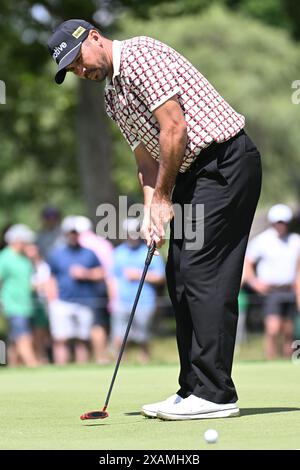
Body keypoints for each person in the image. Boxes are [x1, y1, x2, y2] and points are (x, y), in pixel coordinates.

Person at [47, 20, 262, 420]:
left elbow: (174, 129)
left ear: (94, 36)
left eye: (78, 60)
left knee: (202, 273)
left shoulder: (142, 55)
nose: (81, 71)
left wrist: (164, 197)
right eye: (72, 69)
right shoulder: (114, 95)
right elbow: (146, 160)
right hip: (192, 176)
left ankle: (216, 394)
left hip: (226, 164)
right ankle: (193, 389)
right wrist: (152, 212)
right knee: (179, 273)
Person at [244, 204, 300, 360]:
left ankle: (288, 362)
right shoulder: (263, 240)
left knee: (289, 331)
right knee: (273, 329)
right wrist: (254, 282)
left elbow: (298, 268)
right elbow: (247, 262)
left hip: (290, 290)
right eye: (278, 222)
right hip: (271, 291)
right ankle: (271, 360)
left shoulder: (295, 241)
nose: (280, 225)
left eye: (283, 222)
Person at [47, 216, 105, 364]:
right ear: (65, 234)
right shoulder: (57, 253)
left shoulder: (89, 253)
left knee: (82, 339)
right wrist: (51, 299)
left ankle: (81, 369)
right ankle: (61, 370)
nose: (72, 236)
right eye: (69, 233)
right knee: (61, 339)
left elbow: (101, 273)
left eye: (75, 233)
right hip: (62, 301)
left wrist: (86, 274)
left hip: (85, 301)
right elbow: (51, 277)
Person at [112, 218, 165, 363]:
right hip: (121, 302)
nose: (132, 236)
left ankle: (145, 363)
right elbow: (112, 279)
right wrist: (112, 300)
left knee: (143, 338)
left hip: (145, 302)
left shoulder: (150, 251)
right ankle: (122, 365)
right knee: (120, 339)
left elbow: (161, 277)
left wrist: (139, 275)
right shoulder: (117, 253)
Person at [0, 224, 39, 367]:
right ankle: (33, 365)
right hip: (12, 305)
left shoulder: (25, 260)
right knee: (24, 338)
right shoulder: (4, 258)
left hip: (26, 305)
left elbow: (27, 282)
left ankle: (13, 367)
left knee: (15, 342)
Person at [76, 215, 112, 364]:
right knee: (100, 324)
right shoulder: (102, 242)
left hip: (89, 288)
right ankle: (100, 356)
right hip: (102, 287)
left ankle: (94, 358)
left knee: (93, 325)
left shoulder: (82, 242)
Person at [24, 242, 52, 364]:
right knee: (24, 336)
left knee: (41, 334)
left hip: (40, 304)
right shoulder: (22, 265)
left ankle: (42, 359)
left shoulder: (43, 266)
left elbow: (46, 285)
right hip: (23, 304)